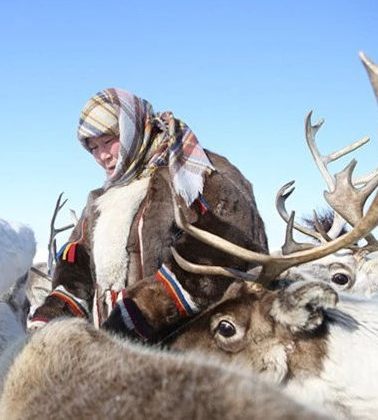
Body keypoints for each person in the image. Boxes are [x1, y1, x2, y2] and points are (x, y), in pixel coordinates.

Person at [29, 88, 268, 340]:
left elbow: (231, 247)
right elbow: (79, 264)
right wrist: (52, 315)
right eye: (93, 148)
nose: (102, 156)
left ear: (132, 129)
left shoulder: (194, 173)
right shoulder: (102, 200)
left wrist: (140, 313)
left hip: (191, 352)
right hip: (115, 352)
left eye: (109, 140)